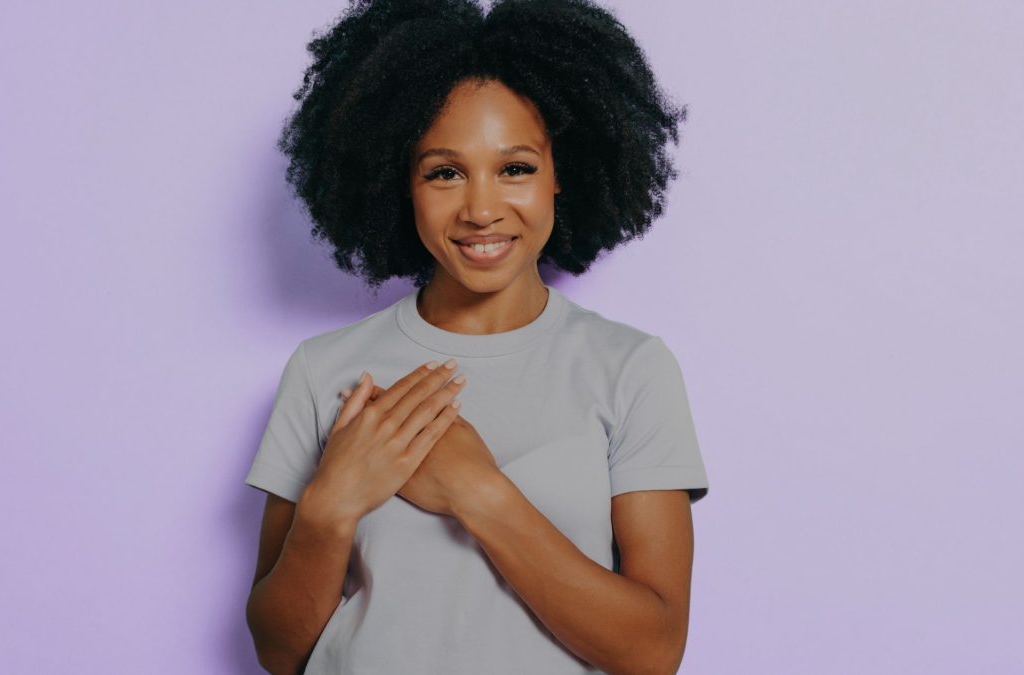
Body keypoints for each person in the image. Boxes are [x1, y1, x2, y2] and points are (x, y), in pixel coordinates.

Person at [243, 1, 709, 673]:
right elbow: (278, 650)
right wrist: (329, 506)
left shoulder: (631, 368)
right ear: (399, 184)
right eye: (444, 171)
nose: (481, 208)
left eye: (515, 167)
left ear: (560, 176)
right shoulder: (325, 370)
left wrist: (478, 492)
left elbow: (654, 649)